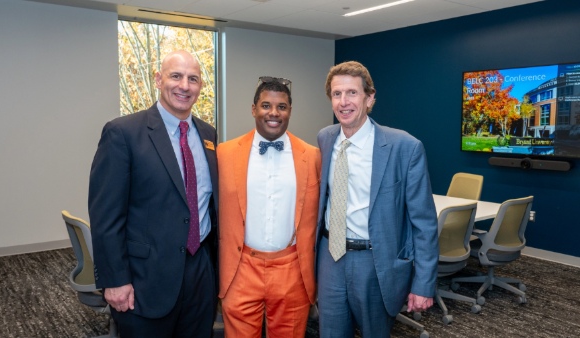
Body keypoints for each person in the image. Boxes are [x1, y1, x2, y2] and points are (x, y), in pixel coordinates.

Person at [88, 50, 218, 338]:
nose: (184, 85)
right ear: (159, 80)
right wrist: (115, 280)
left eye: (193, 79)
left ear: (200, 86)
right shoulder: (123, 133)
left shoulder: (208, 134)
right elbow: (106, 216)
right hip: (145, 278)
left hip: (200, 273)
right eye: (176, 76)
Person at [315, 61, 438, 338]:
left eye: (352, 93)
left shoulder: (404, 147)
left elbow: (424, 223)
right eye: (337, 94)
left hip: (375, 261)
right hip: (329, 257)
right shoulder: (325, 138)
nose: (344, 102)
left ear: (370, 98)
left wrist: (423, 283)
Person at [217, 77, 321, 337]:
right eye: (266, 105)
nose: (273, 113)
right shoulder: (223, 154)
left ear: (289, 111)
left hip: (292, 269)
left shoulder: (312, 156)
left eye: (282, 107)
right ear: (254, 109)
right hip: (241, 268)